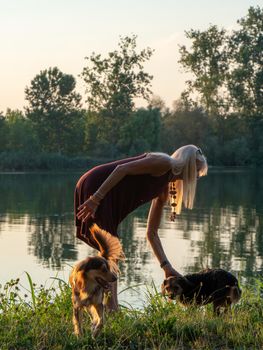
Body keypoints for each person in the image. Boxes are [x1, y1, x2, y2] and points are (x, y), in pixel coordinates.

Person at [75, 144, 208, 310]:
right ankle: (111, 309)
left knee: (109, 252)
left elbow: (151, 233)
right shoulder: (164, 163)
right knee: (111, 252)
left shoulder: (165, 187)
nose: (197, 177)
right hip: (98, 186)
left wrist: (166, 266)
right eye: (197, 172)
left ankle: (104, 305)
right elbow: (121, 169)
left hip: (105, 194)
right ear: (188, 166)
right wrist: (96, 198)